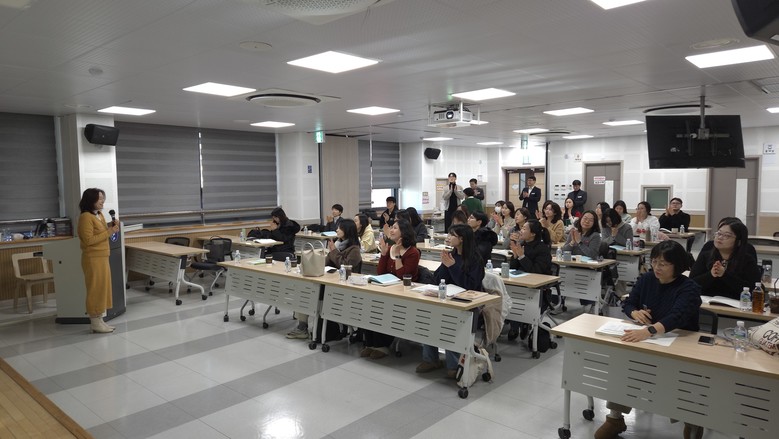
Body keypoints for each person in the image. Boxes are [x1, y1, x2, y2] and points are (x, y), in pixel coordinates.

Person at [594, 240, 702, 439]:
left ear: (677, 265)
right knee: (622, 366)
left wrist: (649, 331)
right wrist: (634, 312)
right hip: (650, 340)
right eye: (654, 261)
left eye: (663, 264)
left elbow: (677, 316)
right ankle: (615, 418)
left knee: (684, 381)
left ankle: (692, 422)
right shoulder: (647, 279)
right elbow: (629, 302)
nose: (657, 267)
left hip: (679, 342)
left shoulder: (689, 288)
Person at [417, 224, 484, 377]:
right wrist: (445, 266)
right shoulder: (451, 255)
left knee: (450, 326)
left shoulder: (475, 259)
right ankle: (430, 359)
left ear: (462, 239)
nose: (448, 237)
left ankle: (454, 365)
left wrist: (452, 267)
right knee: (428, 320)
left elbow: (470, 286)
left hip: (467, 303)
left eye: (452, 235)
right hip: (447, 298)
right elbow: (439, 280)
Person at [287, 219, 363, 340]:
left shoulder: (354, 249)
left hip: (343, 287)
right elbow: (326, 263)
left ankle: (307, 328)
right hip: (329, 283)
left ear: (347, 231)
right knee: (303, 290)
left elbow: (344, 266)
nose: (337, 230)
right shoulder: (338, 244)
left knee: (309, 293)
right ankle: (302, 327)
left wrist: (333, 251)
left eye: (340, 228)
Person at [363, 219, 421, 359]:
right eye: (391, 227)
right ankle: (370, 343)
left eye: (395, 228)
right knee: (368, 304)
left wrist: (398, 255)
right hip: (388, 289)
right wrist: (384, 254)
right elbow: (381, 273)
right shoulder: (390, 248)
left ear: (404, 232)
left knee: (382, 308)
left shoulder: (413, 252)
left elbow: (403, 276)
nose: (391, 230)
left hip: (404, 293)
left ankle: (382, 345)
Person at [78, 188, 120, 334]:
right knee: (95, 289)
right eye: (99, 198)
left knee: (102, 288)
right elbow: (89, 240)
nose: (102, 201)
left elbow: (100, 231)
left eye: (103, 198)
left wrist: (110, 225)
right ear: (91, 200)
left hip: (103, 257)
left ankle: (100, 319)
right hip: (93, 258)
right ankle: (95, 322)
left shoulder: (99, 214)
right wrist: (110, 231)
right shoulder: (85, 217)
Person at [689, 218, 761, 300]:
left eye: (726, 235)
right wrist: (711, 275)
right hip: (706, 304)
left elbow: (753, 289)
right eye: (719, 233)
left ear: (738, 242)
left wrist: (725, 275)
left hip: (736, 305)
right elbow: (691, 284)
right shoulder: (705, 256)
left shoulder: (747, 261)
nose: (720, 237)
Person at [507, 219, 552, 340]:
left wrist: (522, 256)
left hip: (537, 289)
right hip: (519, 284)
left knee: (519, 299)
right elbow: (513, 269)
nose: (521, 231)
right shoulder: (522, 245)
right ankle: (515, 325)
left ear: (533, 233)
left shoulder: (542, 249)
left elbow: (536, 272)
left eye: (524, 228)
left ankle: (522, 324)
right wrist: (515, 255)